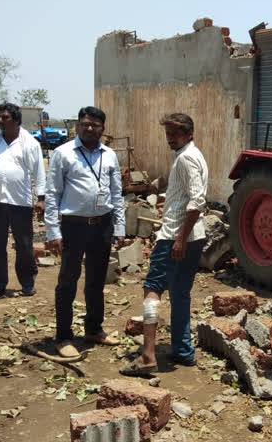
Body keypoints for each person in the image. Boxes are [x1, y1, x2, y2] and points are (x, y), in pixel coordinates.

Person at [120, 113, 208, 376]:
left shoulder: (187, 158)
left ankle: (147, 356)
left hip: (175, 236)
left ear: (189, 133)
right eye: (168, 134)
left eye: (176, 134)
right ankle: (183, 351)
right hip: (193, 235)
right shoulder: (189, 154)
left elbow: (197, 202)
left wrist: (179, 238)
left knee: (152, 290)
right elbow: (188, 198)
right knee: (180, 292)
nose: (171, 139)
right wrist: (169, 201)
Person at [45, 107, 125, 357]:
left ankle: (93, 329)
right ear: (78, 126)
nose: (89, 128)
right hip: (73, 226)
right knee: (67, 281)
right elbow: (52, 194)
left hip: (102, 225)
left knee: (96, 281)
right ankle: (63, 337)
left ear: (103, 128)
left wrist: (119, 227)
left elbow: (116, 194)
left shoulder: (110, 155)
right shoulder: (63, 153)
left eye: (95, 125)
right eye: (85, 124)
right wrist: (52, 232)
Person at [0, 102, 46, 300]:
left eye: (5, 118)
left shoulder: (30, 143)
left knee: (24, 244)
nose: (0, 121)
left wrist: (41, 199)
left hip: (20, 201)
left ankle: (27, 283)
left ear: (16, 120)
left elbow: (39, 172)